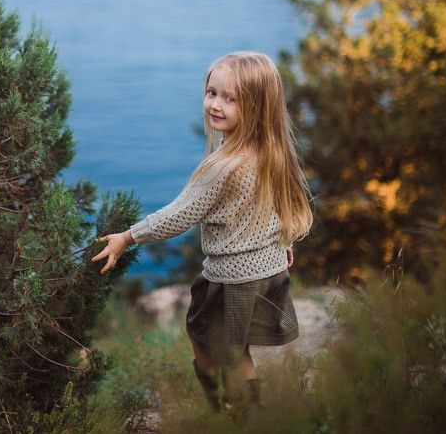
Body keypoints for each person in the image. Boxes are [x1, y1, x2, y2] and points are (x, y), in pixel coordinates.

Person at [92, 51, 313, 417]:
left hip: (235, 278)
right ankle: (238, 412)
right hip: (268, 269)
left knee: (215, 343)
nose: (216, 104)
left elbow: (178, 217)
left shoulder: (222, 168)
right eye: (212, 92)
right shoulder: (271, 151)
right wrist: (284, 243)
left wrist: (128, 237)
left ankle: (233, 414)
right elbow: (282, 203)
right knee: (230, 346)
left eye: (231, 98)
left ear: (257, 107)